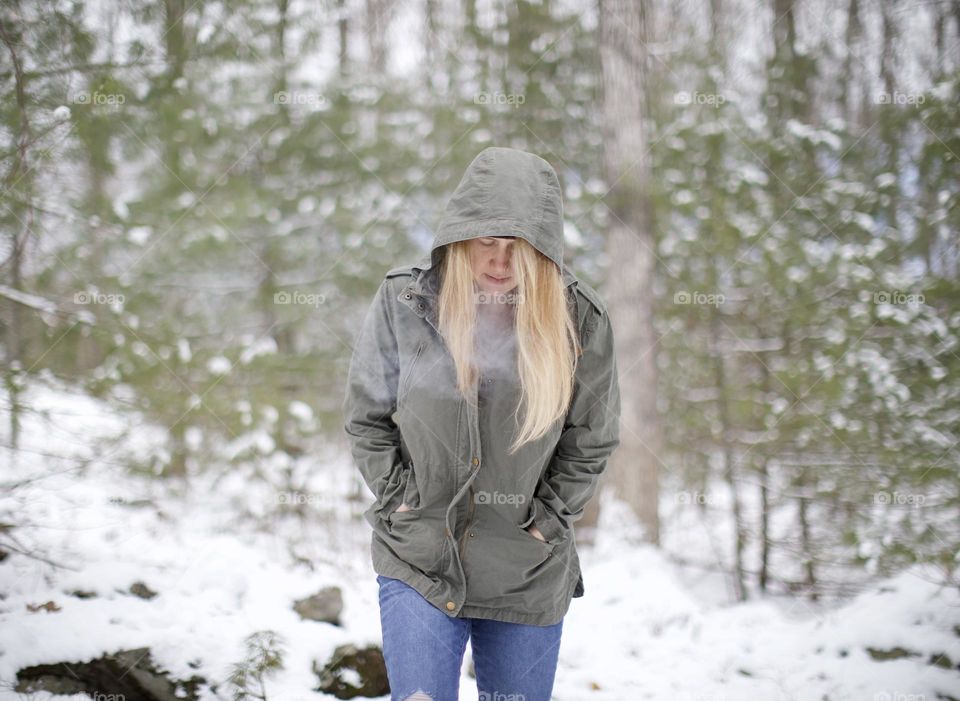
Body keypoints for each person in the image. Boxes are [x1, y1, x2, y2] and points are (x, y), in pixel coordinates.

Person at [343, 146, 621, 701]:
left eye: (516, 246)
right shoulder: (405, 301)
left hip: (525, 569)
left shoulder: (580, 320)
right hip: (420, 555)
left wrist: (546, 521)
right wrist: (402, 498)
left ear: (541, 250)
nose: (498, 260)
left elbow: (590, 440)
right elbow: (367, 418)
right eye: (486, 240)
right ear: (459, 235)